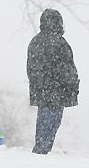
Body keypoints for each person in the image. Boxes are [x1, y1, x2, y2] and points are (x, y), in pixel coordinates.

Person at [26, 8, 80, 155]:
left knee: (43, 122)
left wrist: (39, 85)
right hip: (57, 92)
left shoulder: (35, 42)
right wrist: (72, 85)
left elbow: (31, 69)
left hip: (41, 91)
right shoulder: (60, 43)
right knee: (52, 123)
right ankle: (42, 150)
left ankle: (40, 148)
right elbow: (67, 69)